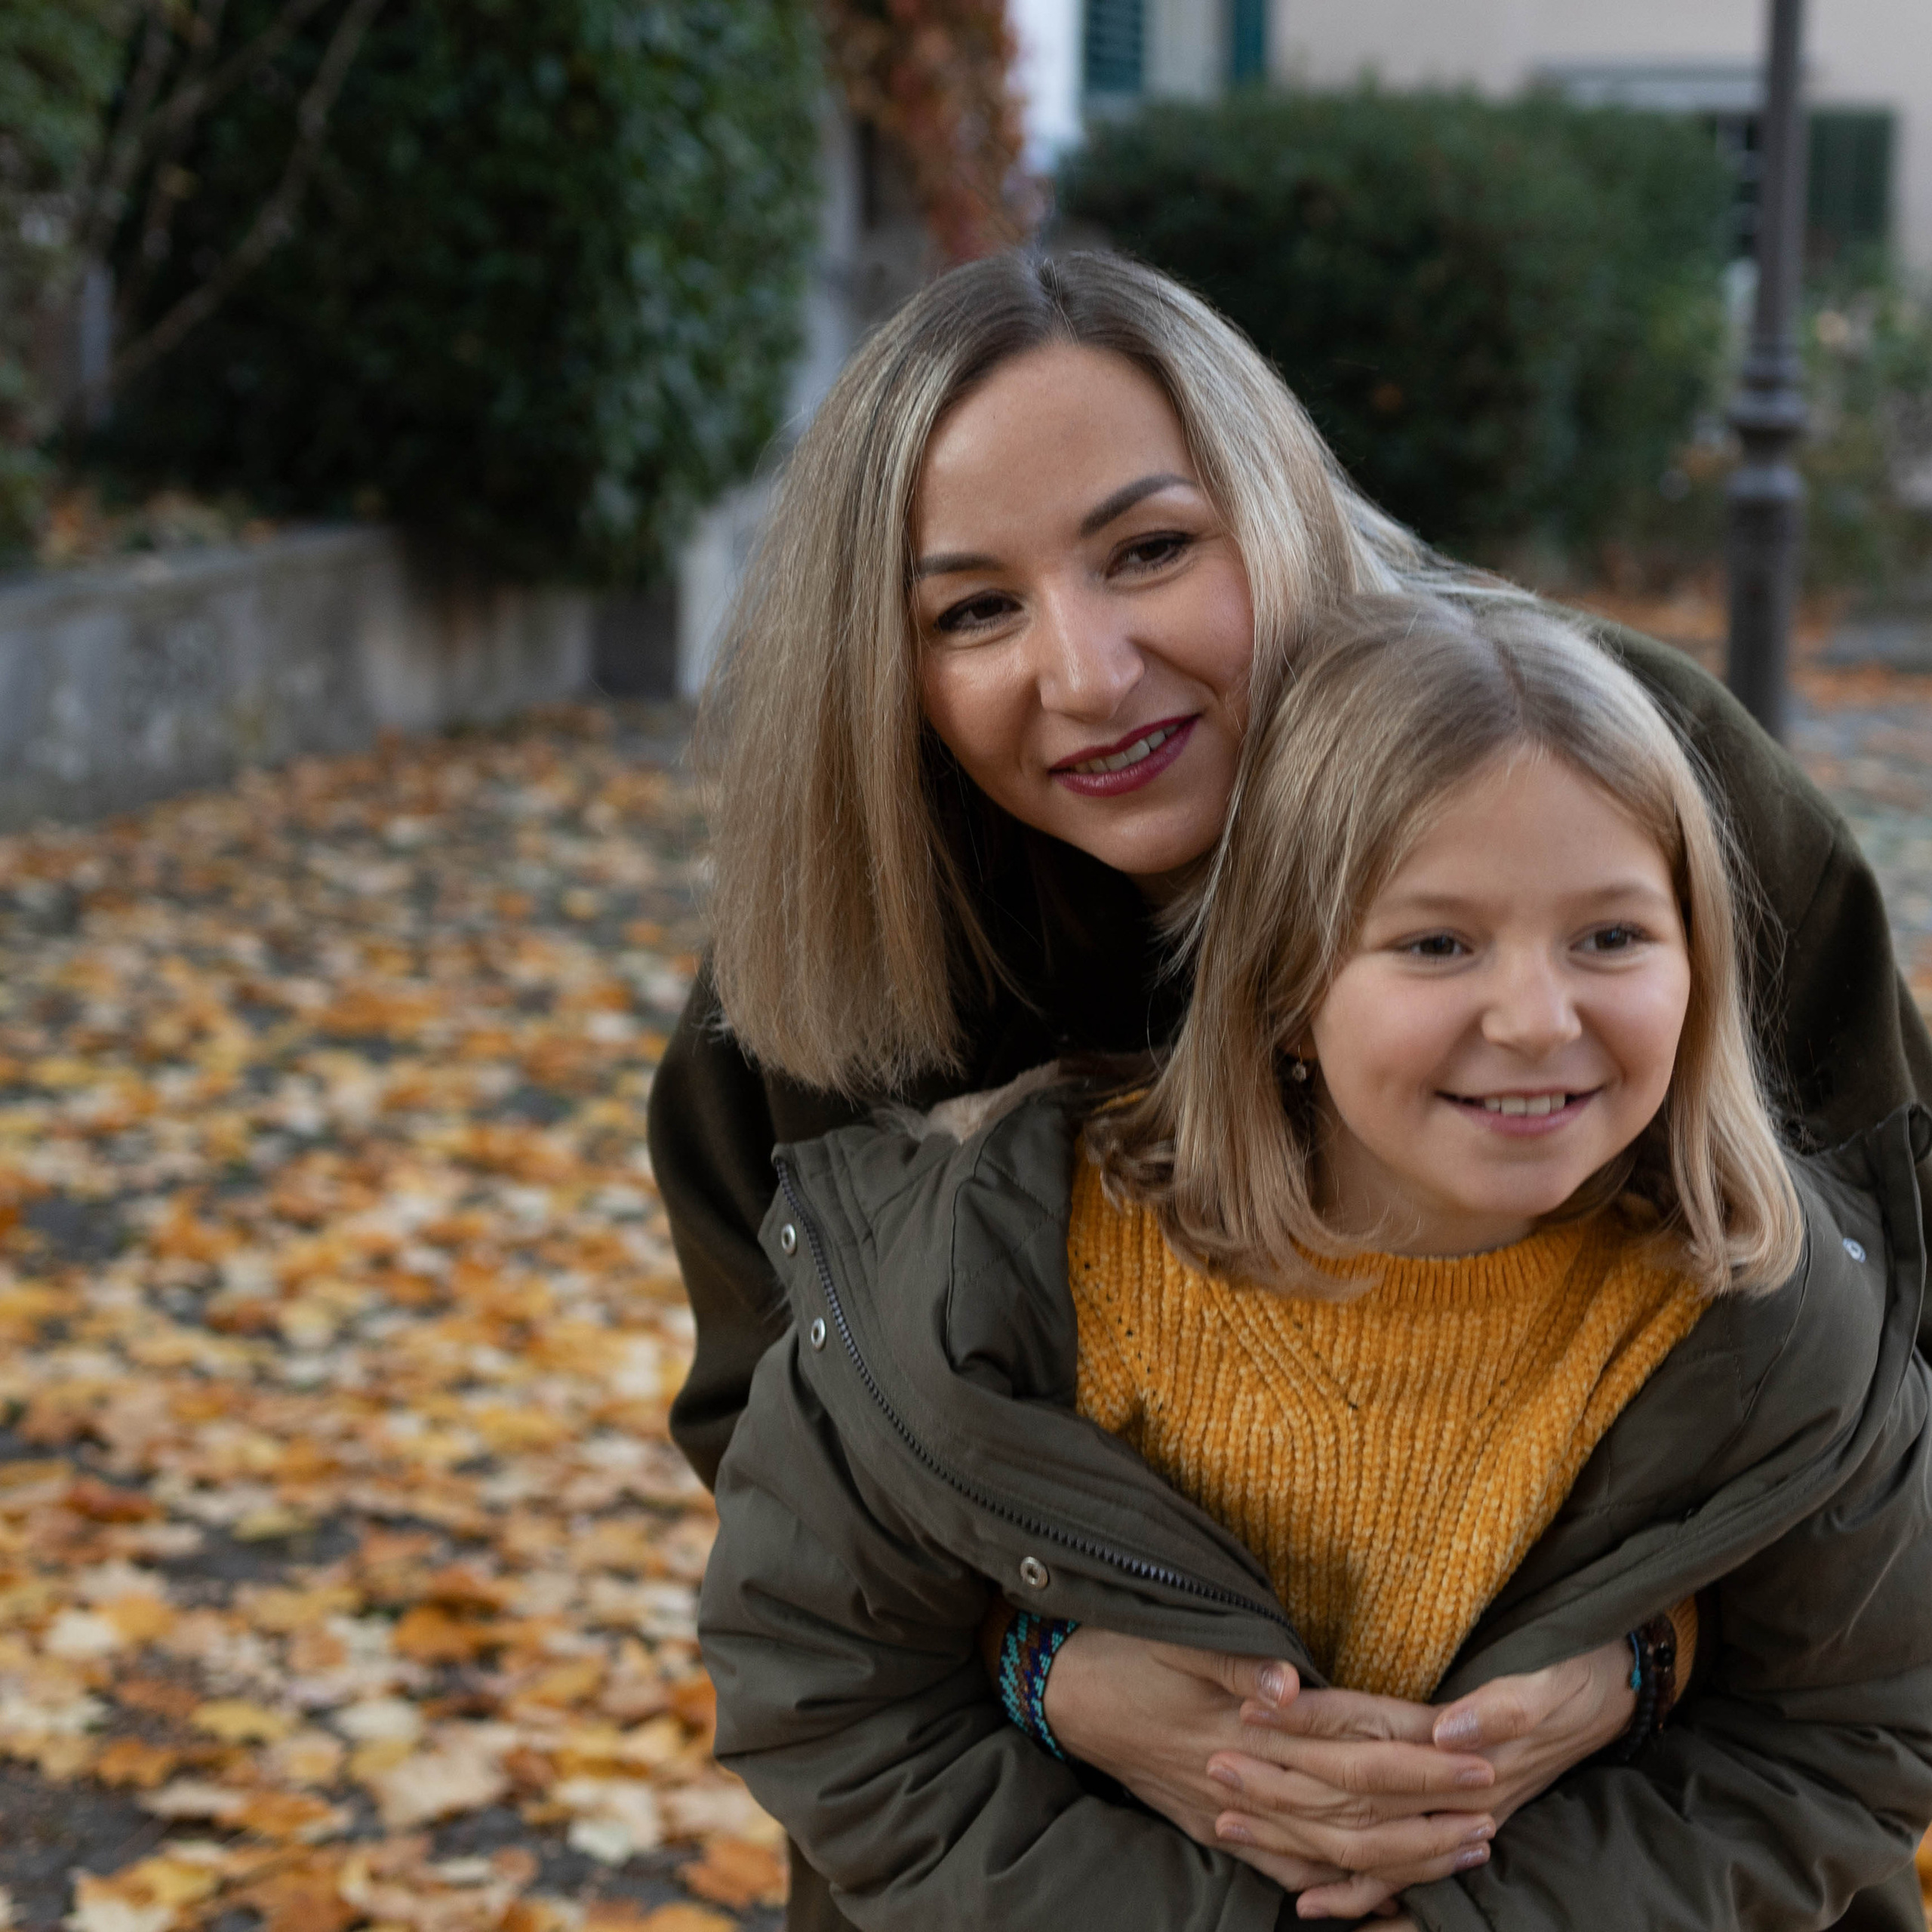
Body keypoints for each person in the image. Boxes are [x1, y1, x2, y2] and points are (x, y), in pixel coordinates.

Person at [648, 251, 1932, 1928]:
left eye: (1151, 549)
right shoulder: (841, 938)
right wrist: (1039, 1660)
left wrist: (1647, 1644)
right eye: (972, 608)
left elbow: (1872, 1334)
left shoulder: (1607, 769)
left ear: (1269, 512)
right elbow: (798, 1456)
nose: (1088, 671)